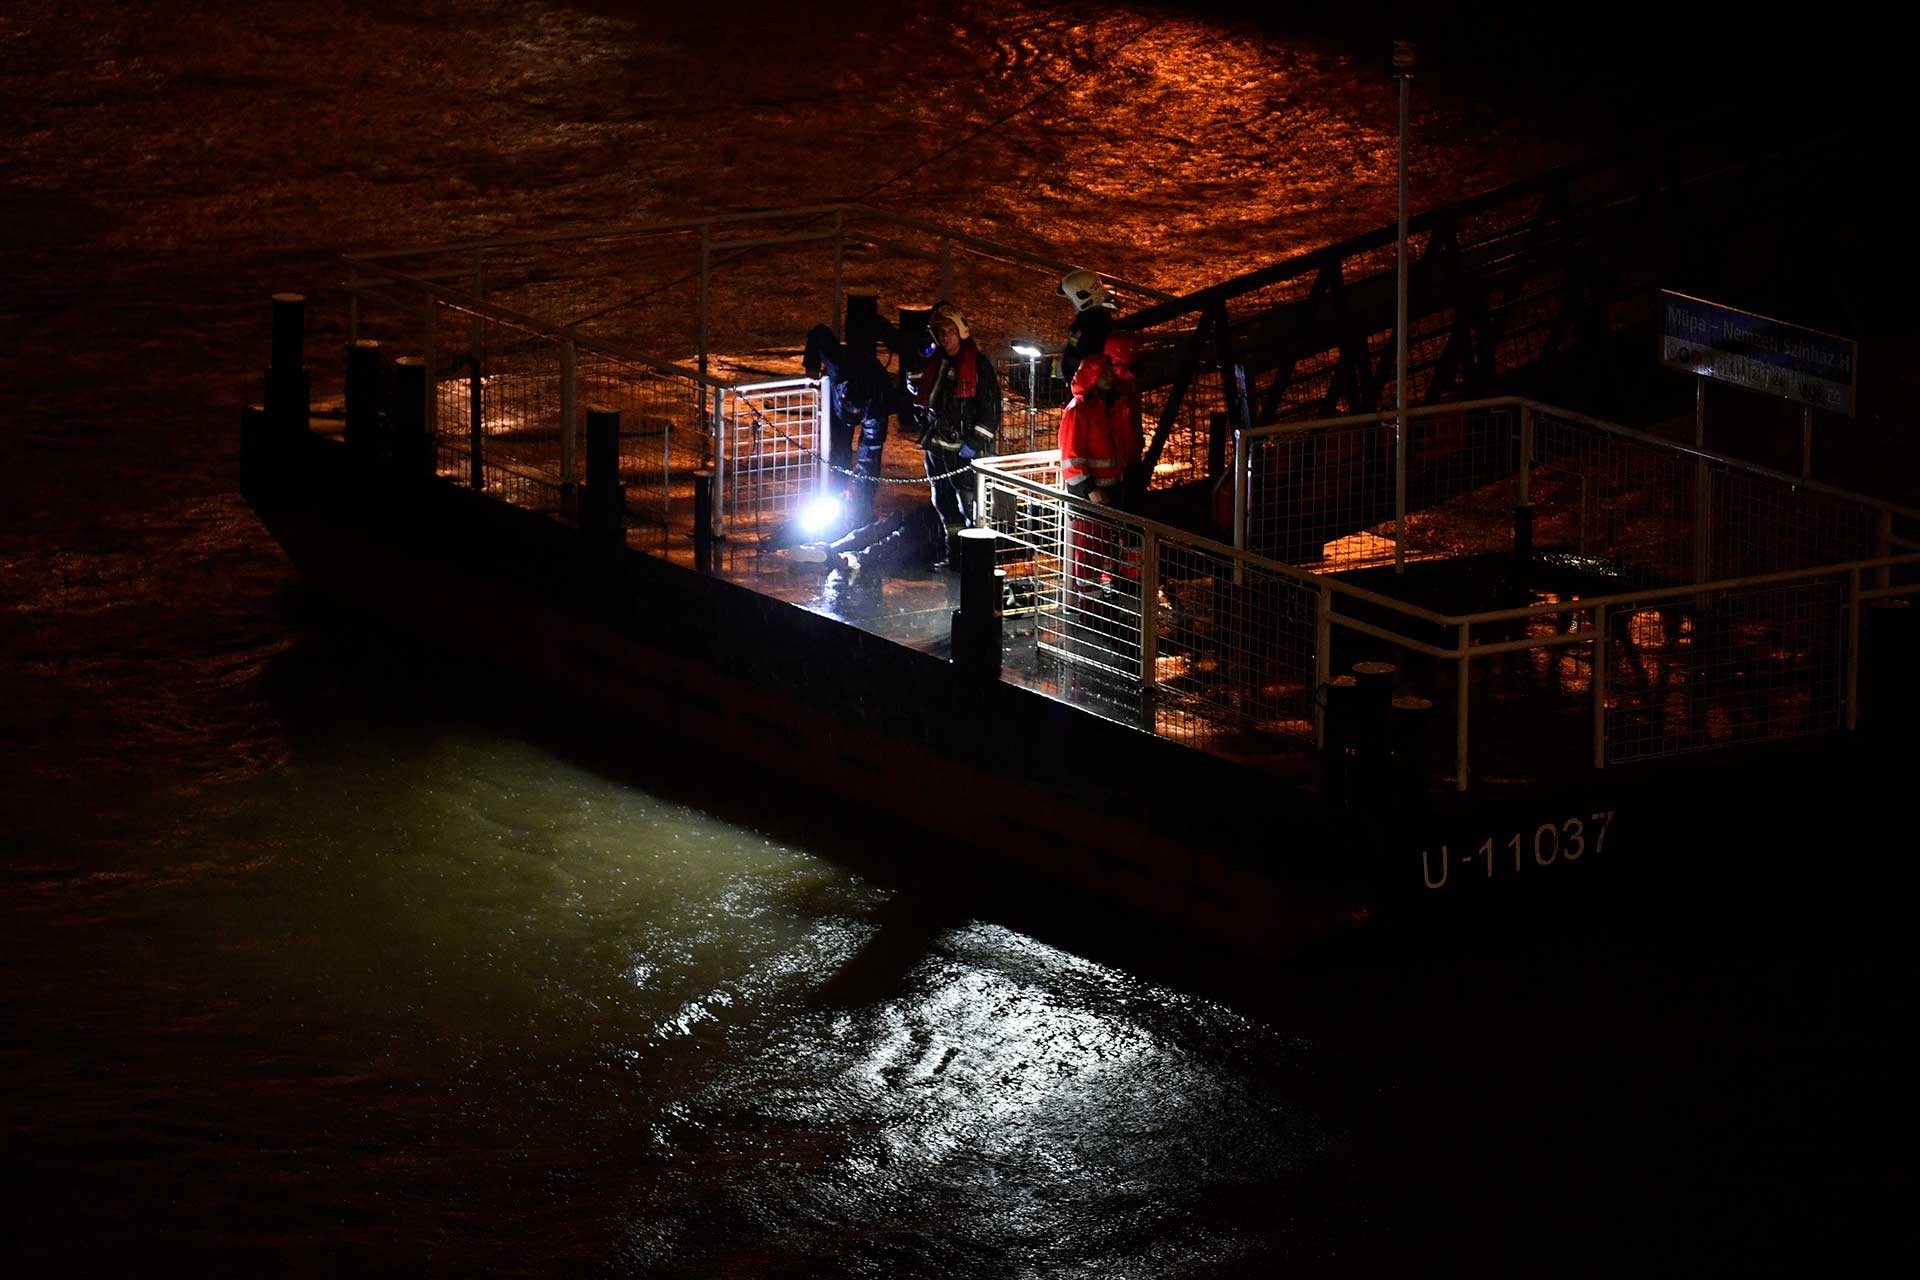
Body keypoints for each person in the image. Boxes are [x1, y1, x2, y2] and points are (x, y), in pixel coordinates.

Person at [1058, 331, 1146, 669]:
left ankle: (1104, 606)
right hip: (1092, 497)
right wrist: (1088, 490)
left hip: (1113, 491)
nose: (1113, 375)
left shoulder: (1108, 405)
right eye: (1107, 372)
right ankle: (1089, 611)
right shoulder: (1079, 411)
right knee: (1089, 554)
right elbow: (1072, 457)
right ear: (1095, 378)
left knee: (1107, 551)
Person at [908, 301, 1000, 540]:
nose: (946, 338)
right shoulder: (935, 361)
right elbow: (917, 387)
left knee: (970, 502)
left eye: (951, 332)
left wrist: (975, 443)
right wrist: (919, 358)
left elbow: (989, 410)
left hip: (963, 450)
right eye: (942, 333)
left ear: (961, 332)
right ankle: (954, 551)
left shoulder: (978, 365)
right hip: (937, 446)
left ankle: (974, 555)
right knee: (943, 500)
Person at [802, 320, 893, 528]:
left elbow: (869, 456)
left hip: (873, 397)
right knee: (840, 448)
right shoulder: (837, 363)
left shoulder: (878, 402)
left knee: (868, 458)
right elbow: (819, 332)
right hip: (838, 402)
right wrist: (812, 364)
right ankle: (838, 492)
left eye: (856, 411)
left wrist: (861, 500)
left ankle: (862, 505)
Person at [1055, 267, 1117, 386]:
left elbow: (1089, 357)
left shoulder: (1093, 323)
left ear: (1081, 296)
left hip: (1089, 388)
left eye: (1071, 300)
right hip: (1085, 386)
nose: (1071, 304)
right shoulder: (1094, 320)